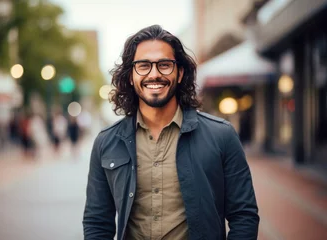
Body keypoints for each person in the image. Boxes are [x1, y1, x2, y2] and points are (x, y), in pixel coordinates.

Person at [83, 25, 259, 240]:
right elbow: (97, 222)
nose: (154, 74)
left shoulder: (222, 136)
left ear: (179, 73)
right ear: (130, 76)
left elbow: (244, 215)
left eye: (165, 65)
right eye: (143, 66)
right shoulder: (106, 142)